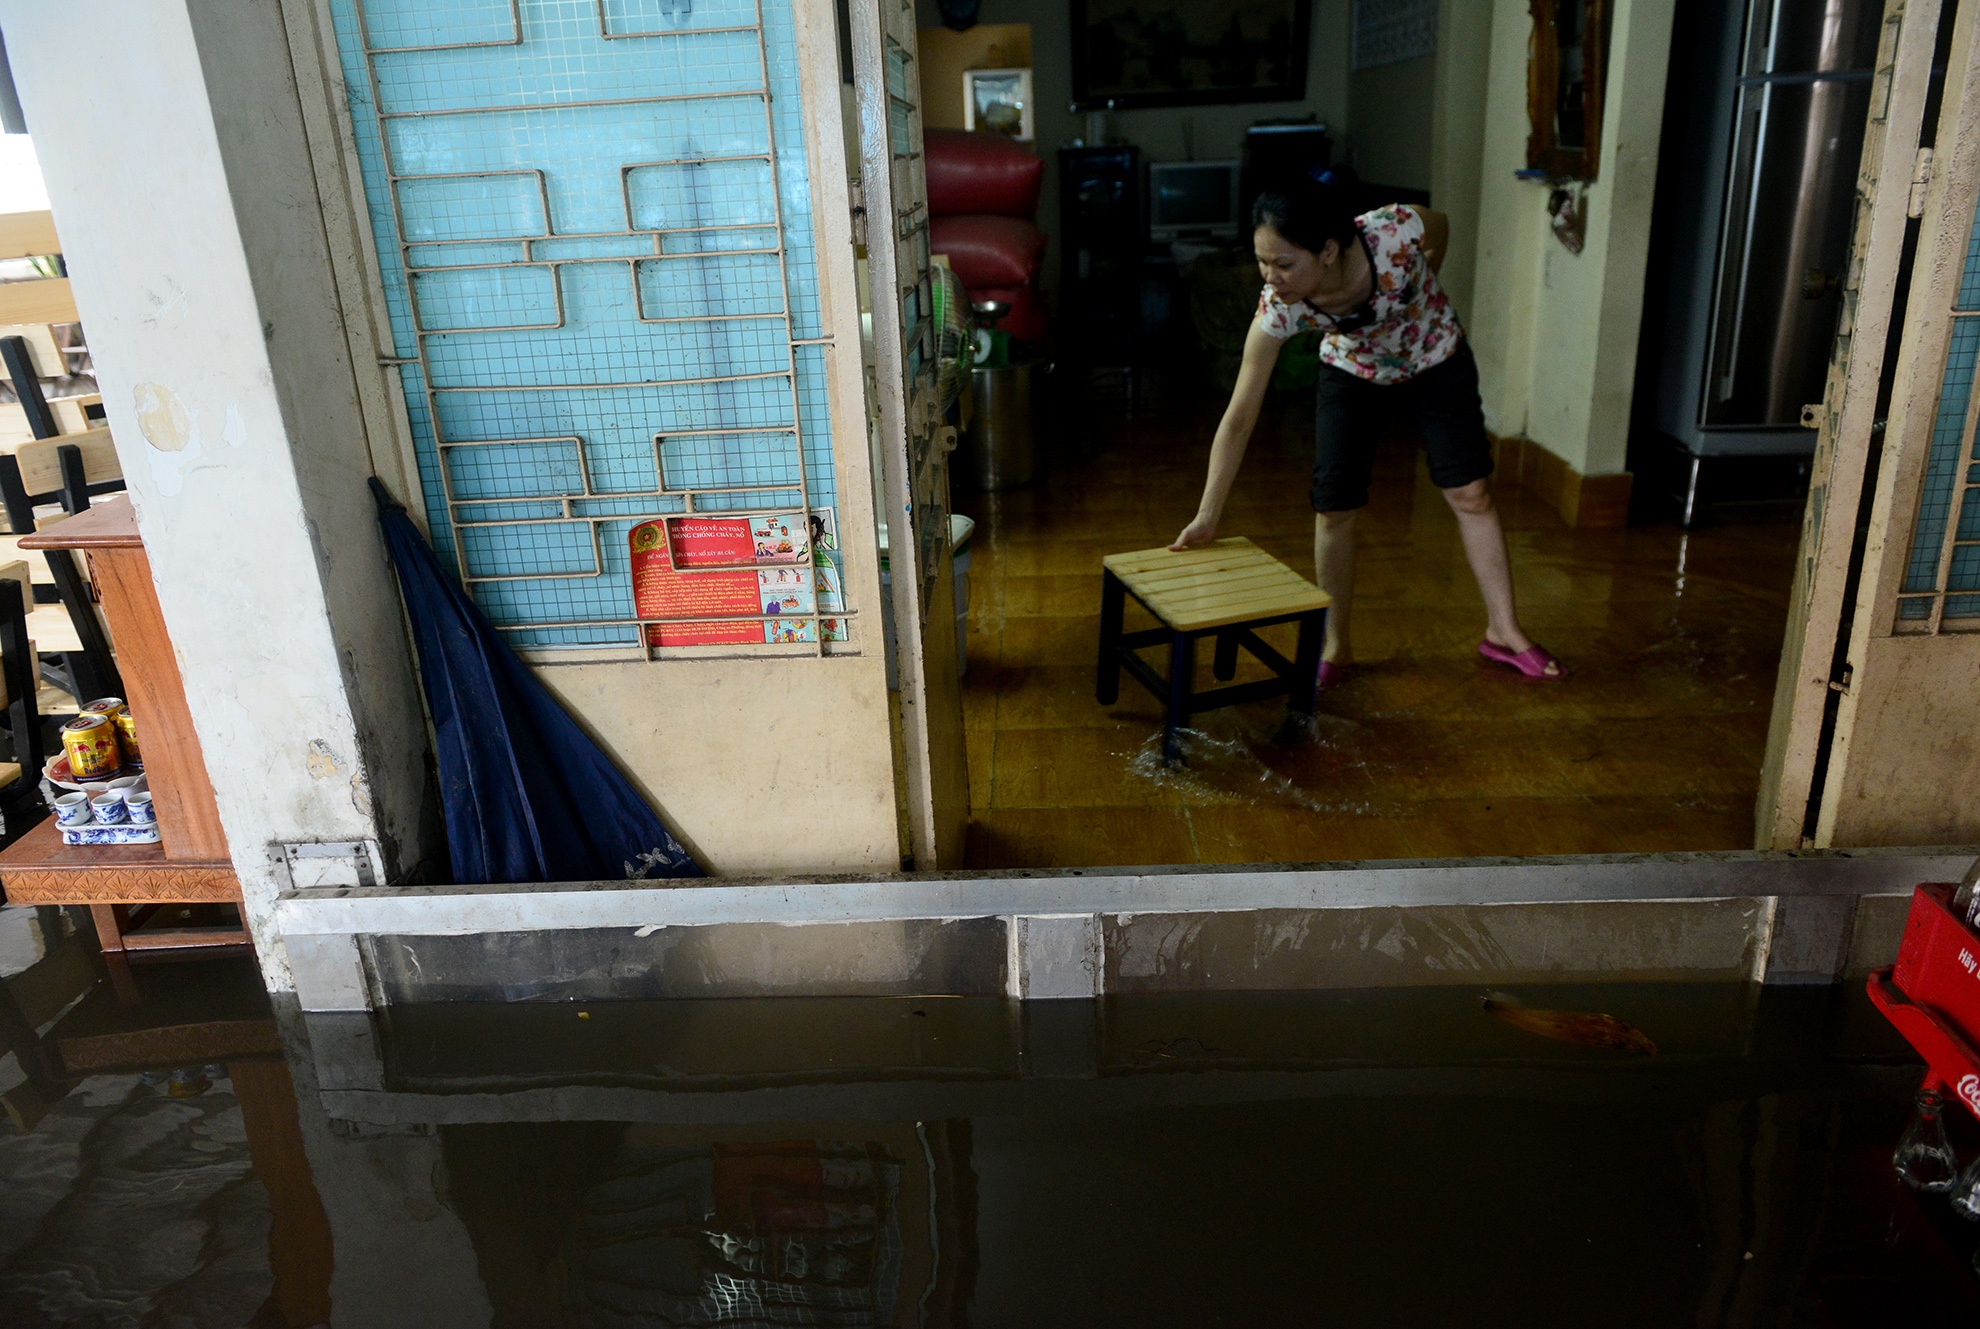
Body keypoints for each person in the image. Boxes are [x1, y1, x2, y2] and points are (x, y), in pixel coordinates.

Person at [1170, 177, 1561, 684]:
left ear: (1329, 250)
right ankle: (1337, 646)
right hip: (1352, 371)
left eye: (1284, 263)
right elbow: (1240, 414)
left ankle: (1503, 631)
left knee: (1471, 492)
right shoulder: (1281, 306)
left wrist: (1418, 287)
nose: (1271, 277)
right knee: (1334, 506)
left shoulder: (1392, 232)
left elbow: (1438, 225)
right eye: (1263, 262)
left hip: (1434, 354)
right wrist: (1207, 515)